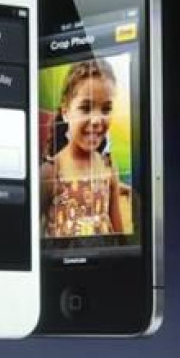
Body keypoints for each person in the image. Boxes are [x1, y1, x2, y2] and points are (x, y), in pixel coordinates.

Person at [40, 58, 124, 238]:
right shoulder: (51, 172)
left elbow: (120, 236)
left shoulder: (109, 168)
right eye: (86, 109)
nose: (96, 120)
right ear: (65, 111)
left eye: (106, 109)